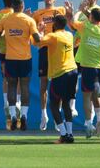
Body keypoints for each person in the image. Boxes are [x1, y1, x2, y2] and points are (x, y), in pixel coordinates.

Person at [65, 1, 100, 139]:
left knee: (87, 96)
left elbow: (73, 21)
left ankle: (88, 124)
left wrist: (79, 10)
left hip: (88, 67)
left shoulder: (85, 27)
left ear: (91, 17)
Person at [0, 0, 42, 131]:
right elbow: (37, 39)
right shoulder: (29, 20)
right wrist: (39, 30)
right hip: (25, 59)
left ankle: (13, 116)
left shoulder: (5, 19)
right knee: (25, 86)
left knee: (11, 87)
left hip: (10, 58)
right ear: (22, 6)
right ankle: (24, 116)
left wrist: (5, 31)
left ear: (13, 7)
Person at [36, 15, 77, 143]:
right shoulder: (69, 35)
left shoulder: (53, 36)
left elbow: (37, 42)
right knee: (66, 104)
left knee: (54, 105)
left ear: (55, 24)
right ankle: (70, 134)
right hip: (73, 71)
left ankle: (63, 135)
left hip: (60, 74)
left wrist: (40, 31)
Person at [32, 0, 66, 131]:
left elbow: (69, 21)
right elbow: (33, 31)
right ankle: (44, 115)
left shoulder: (61, 10)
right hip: (44, 49)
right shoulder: (37, 14)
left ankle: (57, 118)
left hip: (57, 49)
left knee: (58, 84)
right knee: (43, 83)